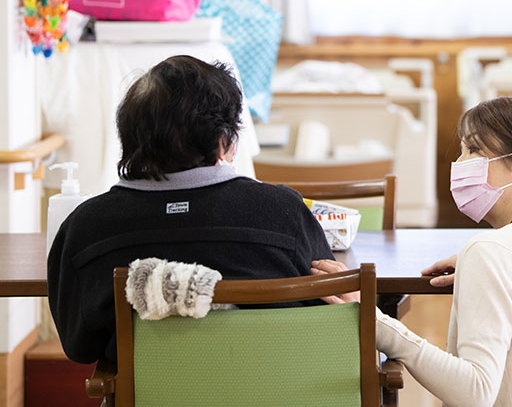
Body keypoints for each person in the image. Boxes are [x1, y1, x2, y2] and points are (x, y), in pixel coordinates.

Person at [314, 95, 512, 407]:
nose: (460, 164)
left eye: (474, 150)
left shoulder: (491, 253)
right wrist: (482, 271)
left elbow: (473, 392)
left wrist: (377, 324)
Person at [48, 55, 333, 364]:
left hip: (149, 390)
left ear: (129, 139)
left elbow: (79, 348)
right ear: (224, 141)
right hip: (275, 385)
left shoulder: (86, 228)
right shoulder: (282, 213)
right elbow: (327, 310)